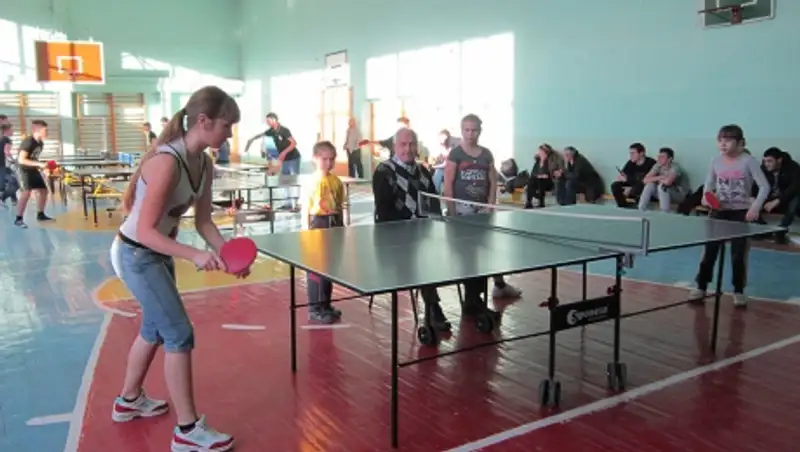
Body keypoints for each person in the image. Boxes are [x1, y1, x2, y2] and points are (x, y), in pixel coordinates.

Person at [109, 86, 241, 452]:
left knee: (155, 328)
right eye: (227, 125)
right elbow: (146, 231)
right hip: (136, 253)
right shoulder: (168, 162)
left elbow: (204, 222)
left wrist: (227, 254)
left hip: (155, 251)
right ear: (204, 121)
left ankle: (128, 401)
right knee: (178, 333)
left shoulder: (204, 164)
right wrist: (194, 255)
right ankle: (187, 431)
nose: (230, 134)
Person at [372, 128, 451, 332]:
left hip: (422, 236)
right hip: (394, 239)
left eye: (411, 144)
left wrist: (435, 226)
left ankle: (469, 302)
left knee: (437, 254)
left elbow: (433, 204)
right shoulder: (383, 171)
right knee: (421, 259)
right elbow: (384, 211)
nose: (408, 149)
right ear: (394, 146)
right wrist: (410, 225)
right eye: (403, 144)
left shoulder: (424, 171)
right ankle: (433, 307)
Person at [443, 114, 522, 309]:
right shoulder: (455, 154)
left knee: (489, 250)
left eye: (474, 130)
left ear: (480, 131)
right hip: (462, 212)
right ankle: (473, 297)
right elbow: (448, 185)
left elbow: (492, 182)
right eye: (467, 130)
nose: (470, 134)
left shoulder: (486, 154)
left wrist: (490, 205)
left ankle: (499, 285)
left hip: (482, 212)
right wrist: (452, 213)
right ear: (462, 131)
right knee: (468, 256)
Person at [690, 125, 769, 308]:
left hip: (741, 213)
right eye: (720, 140)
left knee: (738, 254)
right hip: (719, 211)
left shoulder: (749, 161)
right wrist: (706, 197)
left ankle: (738, 290)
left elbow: (764, 186)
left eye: (728, 140)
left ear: (740, 143)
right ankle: (701, 286)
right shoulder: (715, 161)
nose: (723, 144)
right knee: (709, 251)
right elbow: (709, 184)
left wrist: (755, 207)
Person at [301, 141, 346, 323]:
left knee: (329, 268)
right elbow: (305, 208)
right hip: (317, 223)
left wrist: (341, 228)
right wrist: (306, 231)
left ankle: (326, 305)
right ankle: (315, 308)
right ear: (315, 159)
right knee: (316, 269)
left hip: (333, 224)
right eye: (324, 159)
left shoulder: (337, 182)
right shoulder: (311, 182)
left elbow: (339, 206)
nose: (328, 163)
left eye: (332, 159)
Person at [244, 112, 301, 209]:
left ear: (274, 119)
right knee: (285, 181)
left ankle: (296, 203)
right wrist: (251, 139)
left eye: (268, 120)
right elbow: (261, 135)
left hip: (293, 158)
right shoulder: (270, 131)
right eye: (266, 121)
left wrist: (283, 153)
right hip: (284, 160)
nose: (267, 122)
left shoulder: (284, 130)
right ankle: (287, 204)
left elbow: (294, 143)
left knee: (293, 181)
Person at [14, 120, 53, 228]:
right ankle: (18, 219)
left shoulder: (40, 143)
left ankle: (40, 215)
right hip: (22, 169)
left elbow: (33, 158)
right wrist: (40, 164)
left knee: (43, 191)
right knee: (26, 192)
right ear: (36, 129)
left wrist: (42, 168)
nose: (47, 132)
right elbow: (21, 160)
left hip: (32, 169)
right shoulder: (28, 141)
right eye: (45, 130)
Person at [758, 147, 800, 244]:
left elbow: (794, 188)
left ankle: (781, 230)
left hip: (786, 201)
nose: (766, 164)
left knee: (796, 199)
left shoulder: (792, 167)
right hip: (770, 200)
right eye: (765, 161)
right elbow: (757, 186)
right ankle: (764, 229)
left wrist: (778, 201)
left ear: (779, 160)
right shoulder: (763, 168)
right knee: (751, 201)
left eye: (770, 161)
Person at [637, 147, 688, 213]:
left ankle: (664, 213)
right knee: (650, 185)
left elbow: (667, 182)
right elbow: (645, 180)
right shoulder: (657, 166)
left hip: (679, 195)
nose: (659, 159)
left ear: (669, 159)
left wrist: (655, 179)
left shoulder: (675, 167)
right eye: (659, 156)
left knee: (662, 187)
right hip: (664, 193)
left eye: (662, 157)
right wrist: (661, 177)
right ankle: (641, 210)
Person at [610, 143, 656, 208]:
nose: (630, 156)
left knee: (641, 186)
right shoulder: (630, 163)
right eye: (630, 153)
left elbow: (646, 180)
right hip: (632, 187)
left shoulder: (651, 163)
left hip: (645, 189)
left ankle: (639, 206)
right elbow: (625, 176)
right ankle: (623, 206)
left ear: (641, 153)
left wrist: (631, 186)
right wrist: (621, 178)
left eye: (633, 153)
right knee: (615, 185)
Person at [524, 144, 563, 208]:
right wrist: (539, 176)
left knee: (541, 181)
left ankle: (541, 202)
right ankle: (529, 202)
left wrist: (547, 175)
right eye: (539, 152)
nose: (539, 153)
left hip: (549, 181)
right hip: (538, 179)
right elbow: (533, 173)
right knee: (531, 181)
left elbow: (556, 170)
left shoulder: (552, 160)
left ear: (546, 152)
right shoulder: (538, 160)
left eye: (541, 152)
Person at [1, 123, 19, 206]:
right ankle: (2, 198)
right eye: (11, 129)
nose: (13, 131)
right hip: (3, 166)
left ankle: (14, 200)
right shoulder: (7, 140)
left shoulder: (1, 139)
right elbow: (6, 152)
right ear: (6, 130)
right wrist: (13, 161)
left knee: (12, 182)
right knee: (16, 184)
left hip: (3, 166)